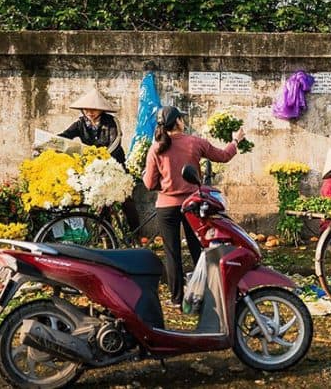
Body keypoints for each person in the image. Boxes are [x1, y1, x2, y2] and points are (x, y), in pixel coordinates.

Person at [143, 106, 245, 309]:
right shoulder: (195, 143)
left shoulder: (156, 148)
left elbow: (148, 183)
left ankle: (177, 299)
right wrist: (235, 141)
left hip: (166, 206)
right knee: (198, 250)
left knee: (172, 254)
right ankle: (206, 294)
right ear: (179, 121)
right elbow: (223, 156)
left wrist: (163, 186)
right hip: (193, 206)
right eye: (182, 118)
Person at [59, 91, 140, 231]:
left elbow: (115, 142)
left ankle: (137, 232)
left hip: (115, 165)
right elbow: (65, 136)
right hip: (94, 169)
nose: (89, 112)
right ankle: (106, 236)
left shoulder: (111, 121)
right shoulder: (80, 123)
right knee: (102, 201)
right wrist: (49, 142)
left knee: (126, 200)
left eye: (93, 109)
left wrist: (102, 157)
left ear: (101, 109)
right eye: (86, 109)